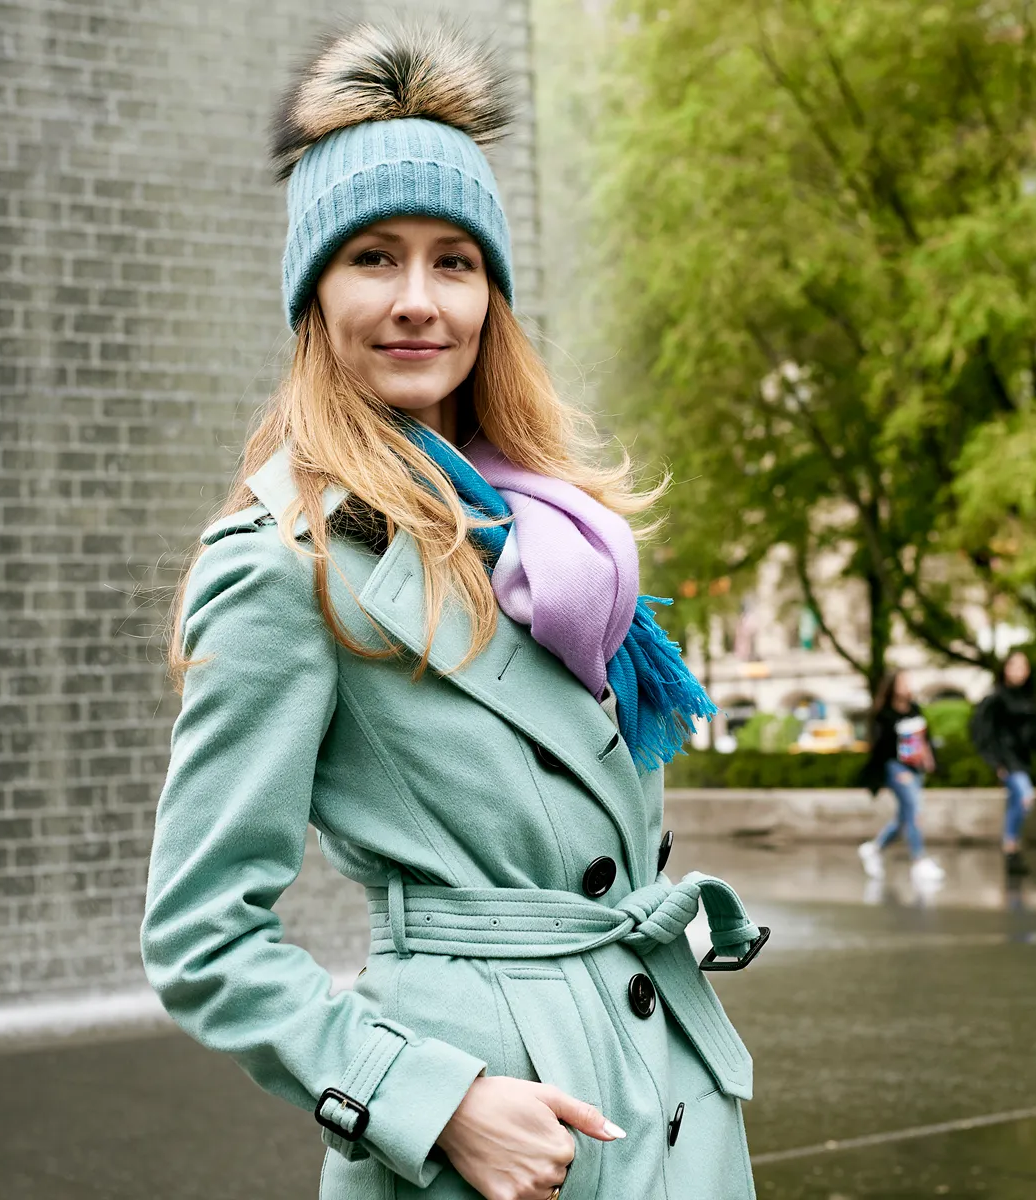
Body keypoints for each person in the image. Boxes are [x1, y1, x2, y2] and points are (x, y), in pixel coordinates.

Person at [139, 25, 763, 1200]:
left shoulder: (552, 536)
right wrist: (431, 1103)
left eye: (455, 261)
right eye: (373, 257)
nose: (418, 302)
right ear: (314, 293)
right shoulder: (285, 562)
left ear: (494, 294)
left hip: (664, 1090)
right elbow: (199, 935)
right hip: (493, 1137)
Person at [969, 651, 1036, 877]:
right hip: (1007, 760)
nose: (1019, 671)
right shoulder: (996, 698)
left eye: (1023, 667)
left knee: (1015, 805)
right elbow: (982, 732)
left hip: (1022, 759)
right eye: (1014, 666)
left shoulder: (1029, 698)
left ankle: (1012, 849)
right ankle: (1010, 845)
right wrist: (995, 763)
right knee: (1024, 798)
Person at [857, 670, 945, 888]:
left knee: (904, 817)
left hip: (916, 768)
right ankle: (919, 860)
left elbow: (925, 738)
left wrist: (929, 758)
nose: (907, 686)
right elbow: (880, 748)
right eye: (902, 682)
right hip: (896, 768)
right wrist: (896, 770)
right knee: (915, 810)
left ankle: (874, 848)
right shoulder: (884, 714)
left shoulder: (915, 709)